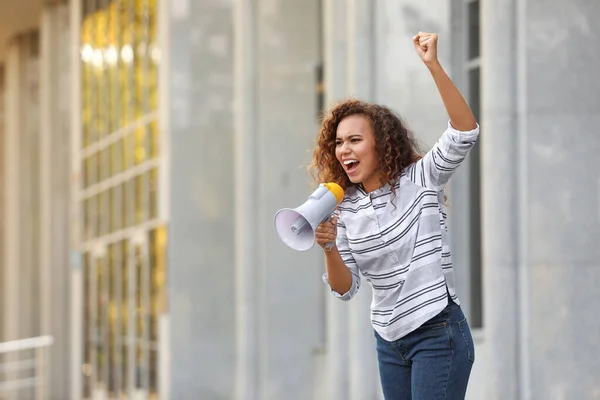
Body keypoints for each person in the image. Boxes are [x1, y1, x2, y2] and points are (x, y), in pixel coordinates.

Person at [310, 32, 479, 400]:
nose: (344, 150)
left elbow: (464, 132)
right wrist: (328, 248)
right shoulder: (345, 208)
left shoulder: (420, 180)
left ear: (381, 143)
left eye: (354, 140)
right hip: (389, 341)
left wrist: (433, 66)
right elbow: (345, 288)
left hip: (438, 331)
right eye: (338, 142)